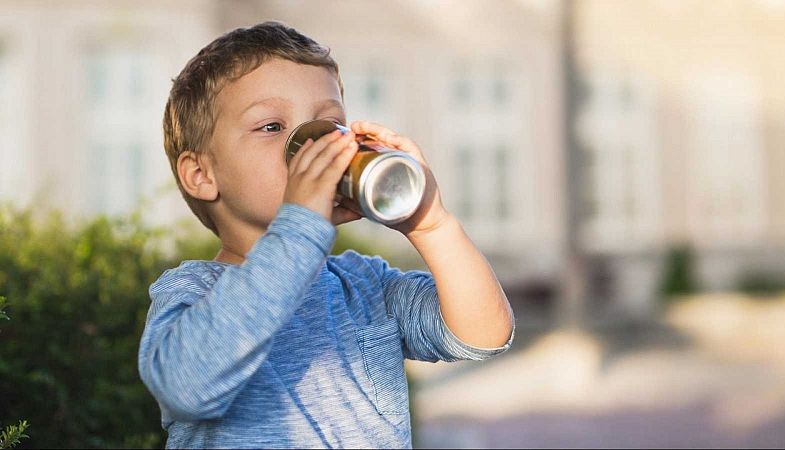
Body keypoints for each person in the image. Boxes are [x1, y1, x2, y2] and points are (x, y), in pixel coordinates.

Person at [137, 20, 514, 449]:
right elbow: (187, 388)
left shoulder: (364, 286)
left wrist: (432, 224)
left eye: (329, 126)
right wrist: (299, 224)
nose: (313, 146)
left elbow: (484, 336)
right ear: (202, 174)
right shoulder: (192, 292)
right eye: (272, 127)